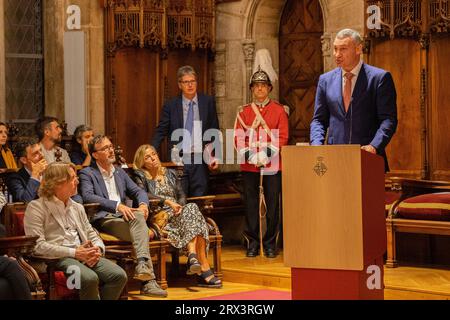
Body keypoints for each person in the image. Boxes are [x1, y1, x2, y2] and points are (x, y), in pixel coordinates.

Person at [78, 135, 167, 297]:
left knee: (139, 216)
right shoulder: (87, 173)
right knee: (140, 227)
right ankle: (148, 282)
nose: (111, 150)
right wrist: (116, 205)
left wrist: (143, 204)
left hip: (127, 219)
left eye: (111, 146)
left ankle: (142, 267)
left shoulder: (119, 172)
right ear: (95, 155)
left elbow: (138, 191)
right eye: (105, 148)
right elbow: (88, 196)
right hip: (105, 219)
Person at [23, 162, 127, 300]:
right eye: (72, 178)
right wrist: (75, 253)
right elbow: (37, 246)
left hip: (84, 253)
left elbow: (91, 233)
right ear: (57, 183)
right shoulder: (36, 207)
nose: (77, 181)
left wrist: (97, 250)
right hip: (58, 259)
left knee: (119, 276)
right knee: (88, 279)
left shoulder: (77, 207)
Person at [132, 144, 222, 288]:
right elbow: (142, 195)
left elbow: (181, 195)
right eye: (147, 157)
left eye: (154, 154)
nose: (153, 158)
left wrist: (179, 207)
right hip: (160, 217)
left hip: (178, 214)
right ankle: (203, 269)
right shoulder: (140, 176)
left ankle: (193, 258)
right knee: (197, 220)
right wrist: (167, 201)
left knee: (191, 208)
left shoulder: (171, 174)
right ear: (142, 162)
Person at [310, 28, 398, 171]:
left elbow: (389, 120)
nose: (337, 55)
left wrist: (374, 146)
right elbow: (319, 120)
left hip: (368, 159)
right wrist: (316, 145)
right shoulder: (325, 80)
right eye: (335, 49)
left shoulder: (379, 78)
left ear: (358, 49)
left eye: (343, 49)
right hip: (334, 161)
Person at [233, 67, 289, 258]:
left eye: (263, 86)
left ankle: (271, 243)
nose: (259, 89)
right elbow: (238, 139)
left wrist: (266, 155)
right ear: (251, 89)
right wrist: (252, 157)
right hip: (250, 166)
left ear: (269, 88)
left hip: (273, 164)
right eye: (256, 86)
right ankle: (252, 243)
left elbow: (282, 136)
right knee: (250, 205)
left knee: (273, 205)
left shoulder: (279, 111)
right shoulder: (244, 112)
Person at [151, 65, 220, 197]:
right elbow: (161, 131)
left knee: (200, 200)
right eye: (186, 82)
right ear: (179, 84)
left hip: (200, 160)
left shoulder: (207, 102)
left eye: (192, 81)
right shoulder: (171, 105)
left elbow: (214, 130)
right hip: (178, 160)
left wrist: (215, 155)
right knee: (180, 200)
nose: (190, 85)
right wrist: (150, 151)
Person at [6, 138, 82, 204]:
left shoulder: (51, 171)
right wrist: (35, 174)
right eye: (36, 153)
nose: (42, 155)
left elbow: (73, 194)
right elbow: (26, 201)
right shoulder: (15, 179)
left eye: (40, 151)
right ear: (24, 160)